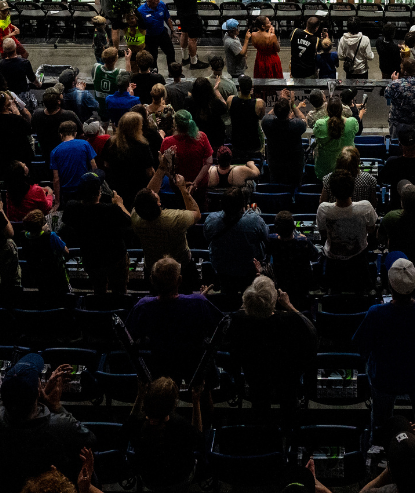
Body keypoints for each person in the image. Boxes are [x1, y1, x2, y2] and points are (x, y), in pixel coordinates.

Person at [352, 257, 415, 448]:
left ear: (390, 287)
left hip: (384, 378)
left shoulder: (375, 313)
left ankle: (380, 453)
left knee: (381, 421)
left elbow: (361, 346)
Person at [0, 353, 94, 493]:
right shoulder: (62, 425)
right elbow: (91, 439)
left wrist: (37, 400)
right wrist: (56, 407)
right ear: (38, 389)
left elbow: (17, 410)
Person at [223, 275, 317, 412]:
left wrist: (249, 304)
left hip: (255, 380)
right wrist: (289, 305)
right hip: (287, 381)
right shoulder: (291, 321)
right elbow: (312, 331)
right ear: (273, 300)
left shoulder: (237, 321)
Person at [126, 256, 222, 384]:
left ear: (151, 280)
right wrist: (199, 299)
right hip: (194, 365)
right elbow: (219, 327)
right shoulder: (198, 302)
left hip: (160, 365)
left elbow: (130, 335)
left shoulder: (142, 306)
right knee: (204, 391)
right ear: (180, 280)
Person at [130, 153, 202, 286]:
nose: (154, 191)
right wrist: (182, 188)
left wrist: (161, 169)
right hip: (181, 268)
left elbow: (147, 194)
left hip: (153, 269)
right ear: (158, 204)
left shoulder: (136, 217)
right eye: (155, 195)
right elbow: (196, 214)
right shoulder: (175, 219)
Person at [317, 168, 378, 290]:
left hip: (333, 262)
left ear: (332, 192)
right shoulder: (365, 207)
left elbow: (322, 232)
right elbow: (371, 229)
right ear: (352, 189)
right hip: (359, 260)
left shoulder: (323, 209)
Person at [204, 187, 269, 290]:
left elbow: (207, 237)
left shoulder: (211, 220)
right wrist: (252, 213)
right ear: (242, 205)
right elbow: (266, 235)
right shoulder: (254, 220)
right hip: (249, 270)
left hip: (222, 270)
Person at [314, 95, 364, 179]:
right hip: (349, 171)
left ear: (327, 110)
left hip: (325, 172)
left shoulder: (320, 125)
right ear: (342, 110)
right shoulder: (352, 123)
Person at [261, 94, 307, 186]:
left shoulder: (267, 123)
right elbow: (304, 120)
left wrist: (280, 103)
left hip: (275, 164)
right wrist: (293, 105)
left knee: (276, 187)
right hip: (294, 165)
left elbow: (268, 115)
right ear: (289, 111)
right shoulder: (296, 125)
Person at [386, 56, 415, 141]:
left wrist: (394, 81)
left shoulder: (396, 84)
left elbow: (387, 94)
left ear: (404, 71)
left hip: (399, 122)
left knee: (397, 144)